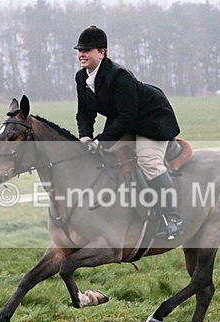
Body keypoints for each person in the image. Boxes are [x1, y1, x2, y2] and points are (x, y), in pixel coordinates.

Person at [74, 25, 183, 240]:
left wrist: (102, 140)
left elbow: (127, 116)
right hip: (125, 122)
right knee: (98, 157)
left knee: (148, 161)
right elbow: (84, 113)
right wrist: (85, 136)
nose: (81, 54)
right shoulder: (81, 78)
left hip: (152, 121)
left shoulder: (119, 76)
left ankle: (173, 218)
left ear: (102, 52)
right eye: (79, 50)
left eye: (87, 50)